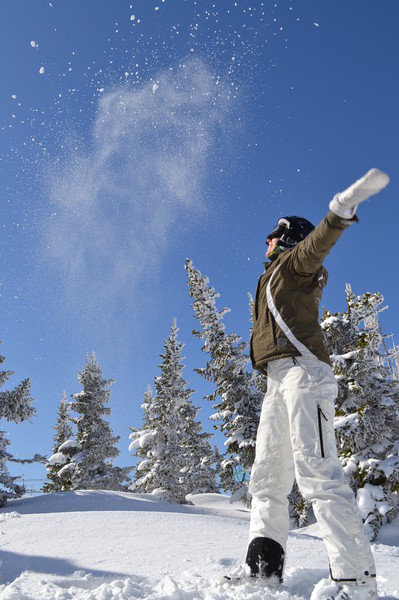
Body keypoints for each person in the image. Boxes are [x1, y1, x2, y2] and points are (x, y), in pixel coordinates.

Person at [246, 169, 390, 600]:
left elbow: (316, 247)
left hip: (304, 376)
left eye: (273, 234)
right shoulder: (271, 277)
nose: (266, 241)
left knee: (318, 474)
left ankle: (356, 581)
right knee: (267, 480)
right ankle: (263, 572)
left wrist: (339, 212)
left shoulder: (295, 266)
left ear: (287, 238)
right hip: (276, 381)